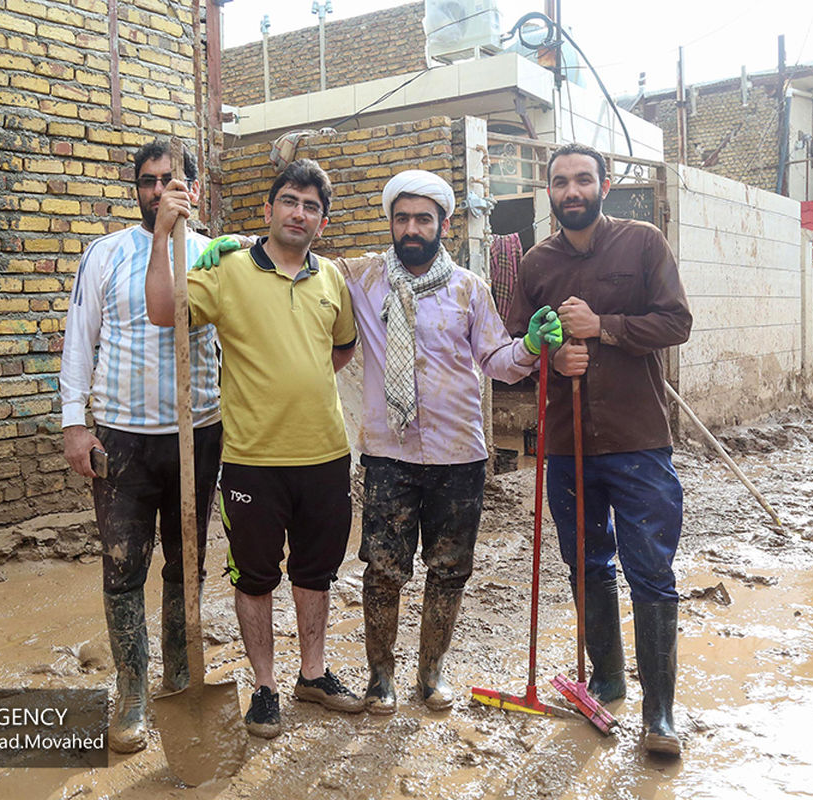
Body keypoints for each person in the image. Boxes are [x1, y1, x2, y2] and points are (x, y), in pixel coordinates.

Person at [194, 170, 563, 714]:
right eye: (401, 218)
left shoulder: (470, 288)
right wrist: (237, 241)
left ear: (443, 225)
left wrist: (527, 347)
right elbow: (293, 248)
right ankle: (380, 677)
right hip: (389, 454)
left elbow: (496, 362)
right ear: (390, 223)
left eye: (423, 219)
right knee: (384, 570)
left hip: (459, 453)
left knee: (450, 568)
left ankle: (431, 673)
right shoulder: (361, 277)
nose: (411, 228)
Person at [145, 158, 363, 739]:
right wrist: (164, 235)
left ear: (322, 221)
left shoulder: (331, 278)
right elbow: (163, 311)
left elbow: (341, 347)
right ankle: (265, 687)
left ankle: (312, 675)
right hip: (252, 460)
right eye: (289, 200)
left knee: (316, 573)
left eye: (312, 206)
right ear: (268, 209)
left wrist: (299, 380)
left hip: (325, 455)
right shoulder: (229, 270)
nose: (299, 213)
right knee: (255, 577)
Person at [506, 143, 692, 756]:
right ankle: (607, 680)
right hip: (567, 445)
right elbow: (517, 345)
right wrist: (553, 356)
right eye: (561, 182)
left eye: (583, 179)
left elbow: (676, 323)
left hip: (639, 441)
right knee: (586, 564)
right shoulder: (536, 263)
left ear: (604, 186)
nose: (572, 191)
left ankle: (659, 715)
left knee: (651, 571)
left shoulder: (643, 243)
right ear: (550, 191)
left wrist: (602, 327)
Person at [59, 141, 223, 754]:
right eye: (149, 181)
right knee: (123, 564)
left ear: (193, 190)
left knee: (187, 561)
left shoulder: (215, 256)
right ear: (137, 190)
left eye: (170, 180)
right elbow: (80, 340)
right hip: (123, 438)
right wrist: (75, 425)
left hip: (196, 433)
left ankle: (179, 674)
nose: (159, 191)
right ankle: (132, 690)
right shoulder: (106, 254)